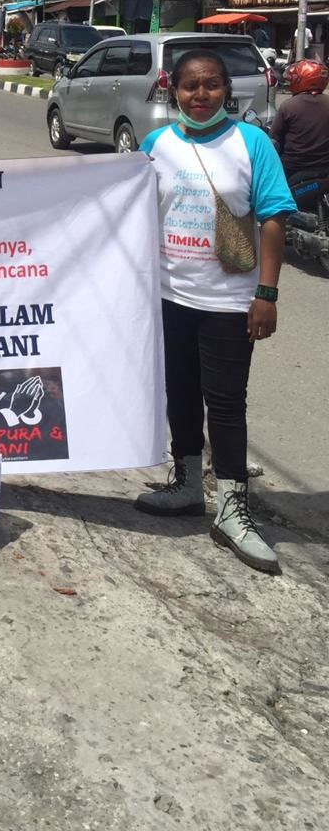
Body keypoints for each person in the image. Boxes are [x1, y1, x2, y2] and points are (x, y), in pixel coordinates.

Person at [134, 49, 295, 575]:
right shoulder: (155, 145)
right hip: (167, 297)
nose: (200, 95)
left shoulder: (252, 143)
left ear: (227, 89)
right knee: (179, 393)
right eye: (190, 86)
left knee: (225, 404)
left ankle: (232, 509)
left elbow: (273, 218)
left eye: (211, 85)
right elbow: (125, 209)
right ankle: (186, 485)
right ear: (173, 91)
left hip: (228, 302)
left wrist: (266, 294)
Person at [270, 59, 329, 179]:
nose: (290, 83)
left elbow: (274, 140)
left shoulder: (288, 106)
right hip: (324, 167)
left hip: (292, 168)